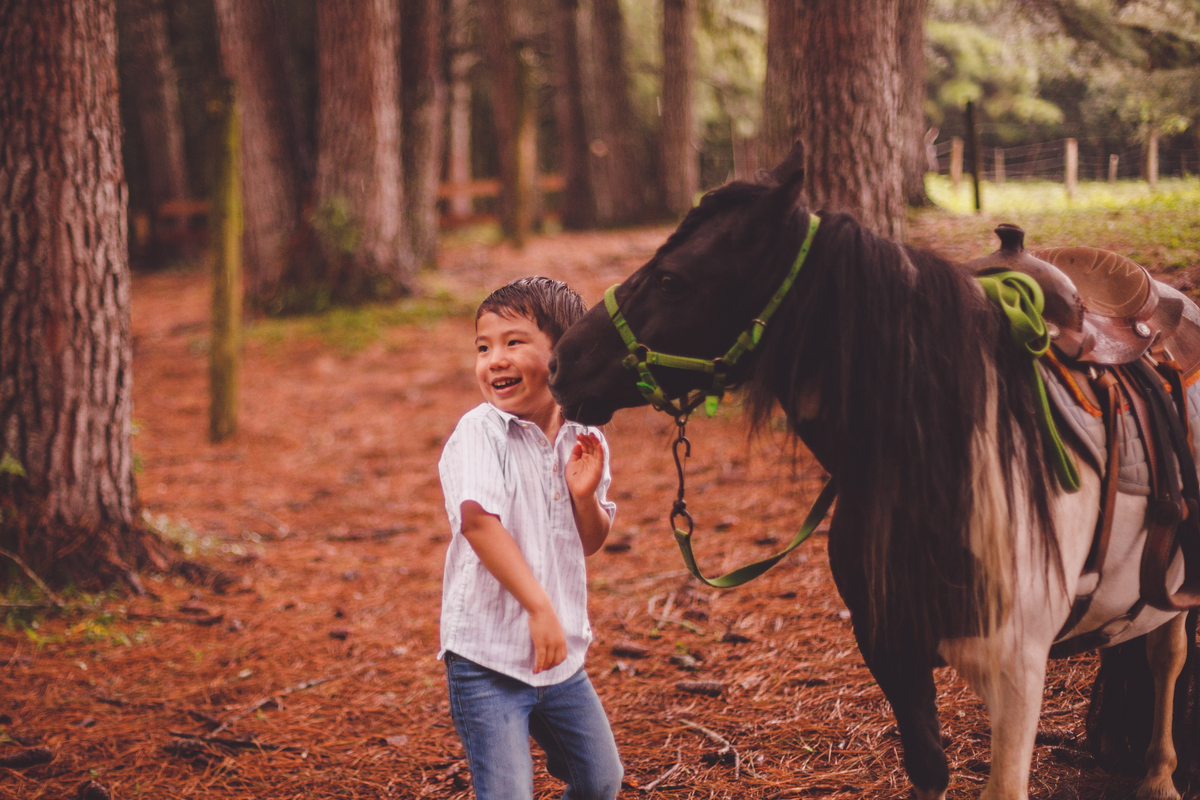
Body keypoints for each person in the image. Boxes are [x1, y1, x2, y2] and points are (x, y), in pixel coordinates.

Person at [437, 276, 624, 800]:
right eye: (483, 347)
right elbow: (478, 524)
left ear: (562, 353)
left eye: (512, 342)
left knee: (600, 779)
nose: (493, 359)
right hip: (487, 660)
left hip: (559, 659)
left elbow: (589, 541)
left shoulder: (583, 438)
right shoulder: (480, 432)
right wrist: (538, 608)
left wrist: (584, 498)